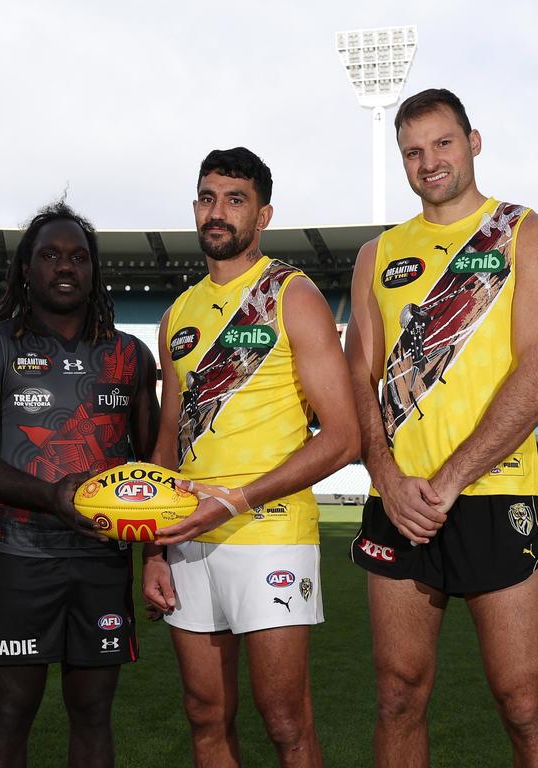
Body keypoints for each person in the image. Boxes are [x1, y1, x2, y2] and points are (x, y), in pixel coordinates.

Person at [143, 147, 359, 767]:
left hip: (269, 534)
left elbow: (343, 437)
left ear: (263, 215)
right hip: (187, 533)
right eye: (208, 198)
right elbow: (167, 441)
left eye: (235, 200)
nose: (218, 212)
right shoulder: (177, 313)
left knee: (286, 721)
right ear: (194, 208)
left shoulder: (291, 294)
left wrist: (235, 500)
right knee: (205, 715)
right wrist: (153, 550)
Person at [346, 88, 538, 766]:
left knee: (524, 704)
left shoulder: (521, 231)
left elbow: (535, 370)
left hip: (495, 495)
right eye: (413, 151)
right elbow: (357, 377)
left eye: (443, 143)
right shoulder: (378, 255)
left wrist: (453, 477)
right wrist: (388, 479)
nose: (429, 161)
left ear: (474, 141)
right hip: (400, 504)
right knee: (398, 694)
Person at [0, 202, 159, 768]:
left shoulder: (131, 357)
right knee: (12, 714)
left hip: (102, 562)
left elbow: (157, 461)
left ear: (93, 271)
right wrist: (51, 498)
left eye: (78, 257)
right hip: (22, 557)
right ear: (26, 270)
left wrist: (156, 549)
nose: (65, 266)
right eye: (50, 255)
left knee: (93, 713)